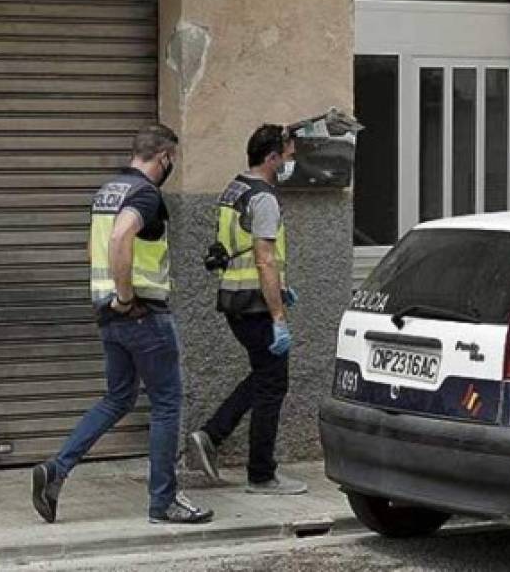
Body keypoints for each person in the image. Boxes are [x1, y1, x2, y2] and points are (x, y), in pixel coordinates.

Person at [31, 124, 213, 525]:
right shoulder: (145, 194)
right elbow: (119, 239)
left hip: (108, 314)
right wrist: (127, 297)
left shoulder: (107, 190)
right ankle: (163, 502)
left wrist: (111, 299)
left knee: (118, 397)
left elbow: (94, 245)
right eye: (173, 161)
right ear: (163, 157)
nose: (172, 168)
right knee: (166, 403)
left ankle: (55, 471)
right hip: (141, 312)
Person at [188, 124, 308, 495]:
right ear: (272, 157)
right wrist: (278, 316)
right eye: (288, 155)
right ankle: (261, 474)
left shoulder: (234, 188)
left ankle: (211, 435)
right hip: (256, 304)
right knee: (273, 383)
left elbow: (234, 245)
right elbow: (265, 259)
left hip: (233, 298)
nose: (291, 162)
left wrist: (281, 290)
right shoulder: (265, 199)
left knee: (263, 376)